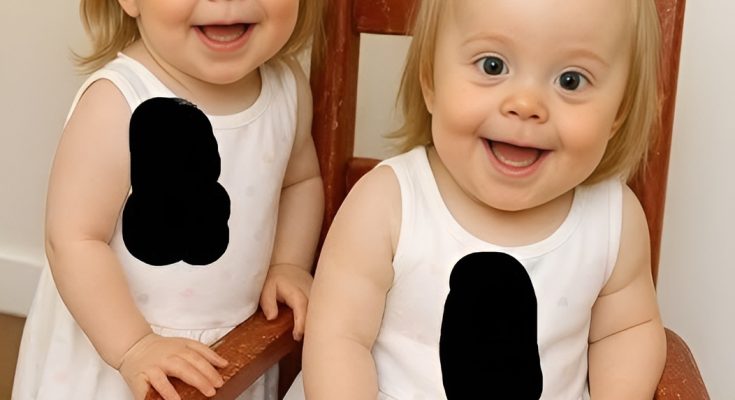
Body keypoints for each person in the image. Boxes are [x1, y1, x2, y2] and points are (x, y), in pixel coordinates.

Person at [295, 0, 667, 398]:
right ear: (431, 81)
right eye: (492, 66)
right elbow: (338, 338)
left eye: (571, 81)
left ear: (618, 112)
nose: (526, 105)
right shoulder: (387, 204)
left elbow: (626, 331)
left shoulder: (611, 220)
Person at [13, 0, 324, 399]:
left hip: (230, 343)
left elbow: (299, 181)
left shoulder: (286, 86)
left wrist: (288, 263)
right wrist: (134, 346)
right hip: (115, 337)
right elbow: (74, 240)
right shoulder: (117, 101)